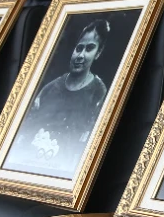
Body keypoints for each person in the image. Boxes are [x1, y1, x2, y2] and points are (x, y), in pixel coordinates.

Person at [13, 19, 112, 174]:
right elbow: (25, 131)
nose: (81, 55)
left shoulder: (98, 92)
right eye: (79, 48)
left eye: (89, 49)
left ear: (98, 53)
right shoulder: (49, 89)